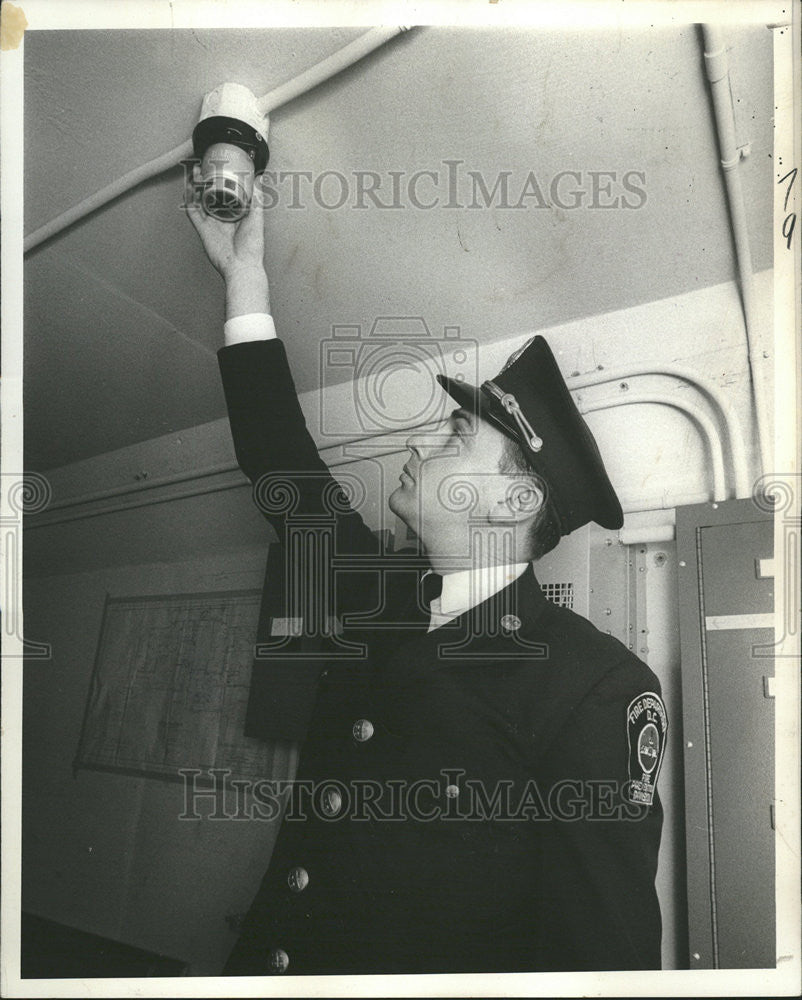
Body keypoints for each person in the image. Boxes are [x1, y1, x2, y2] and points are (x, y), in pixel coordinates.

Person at [186, 161, 667, 976]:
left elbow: (598, 964)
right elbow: (280, 460)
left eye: (453, 438)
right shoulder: (385, 601)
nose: (417, 443)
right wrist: (246, 275)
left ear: (515, 506)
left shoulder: (594, 686)